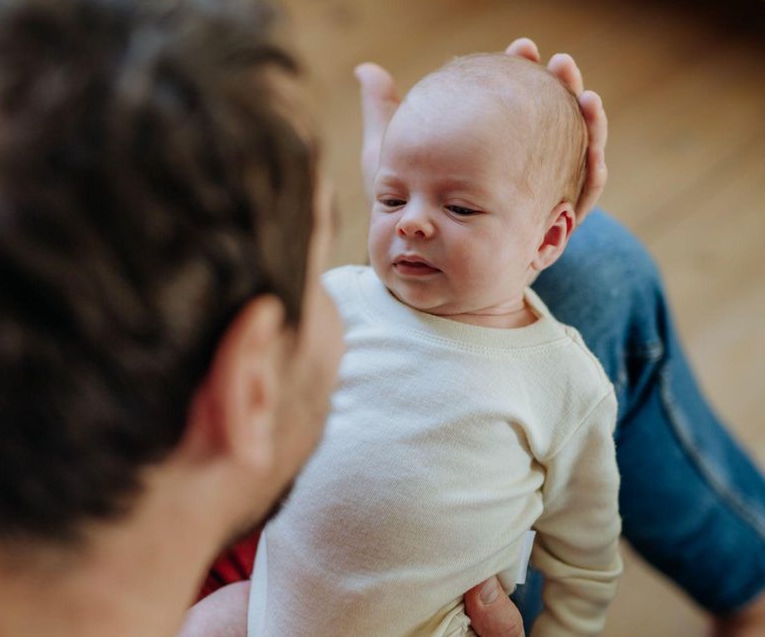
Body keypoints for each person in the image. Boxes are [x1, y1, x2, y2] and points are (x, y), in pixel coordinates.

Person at [0, 0, 759, 637]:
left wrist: (490, 183)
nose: (384, 236)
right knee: (604, 273)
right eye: (319, 257)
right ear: (243, 387)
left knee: (585, 266)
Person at [237, 52, 622, 637]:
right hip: (264, 609)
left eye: (459, 206)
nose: (411, 223)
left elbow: (585, 556)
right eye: (390, 200)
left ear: (548, 236)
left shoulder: (564, 384)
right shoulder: (339, 299)